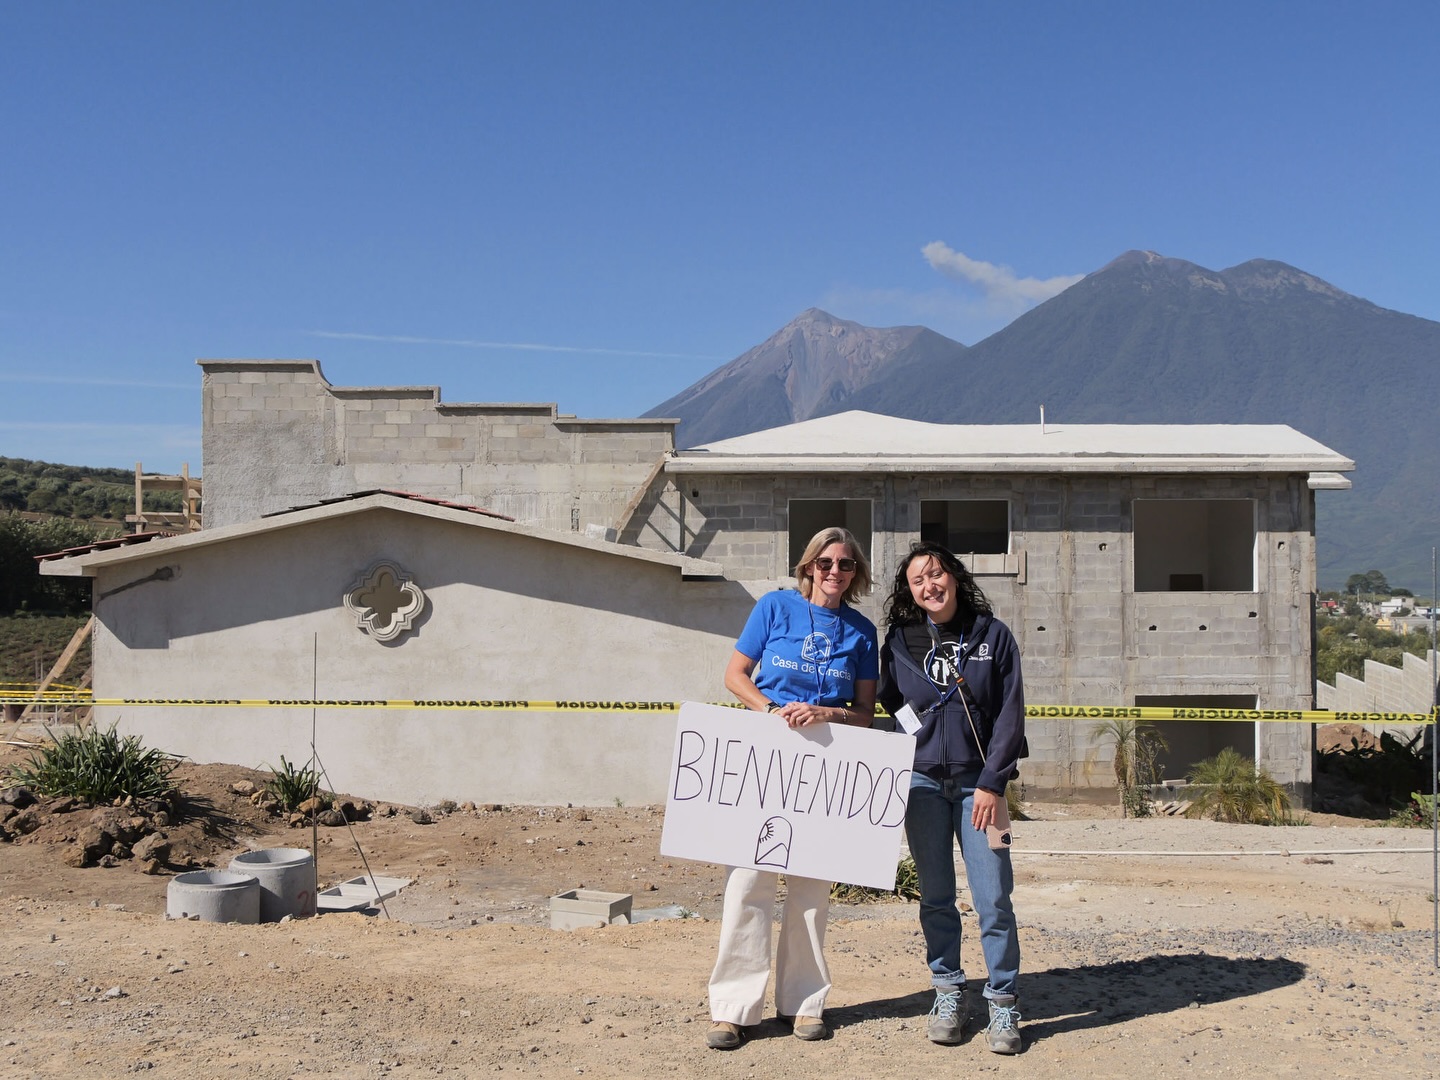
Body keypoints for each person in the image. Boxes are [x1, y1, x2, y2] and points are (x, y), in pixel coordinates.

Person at [705, 526, 879, 1050]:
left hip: (826, 765)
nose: (834, 571)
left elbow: (865, 713)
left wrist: (827, 712)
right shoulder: (774, 608)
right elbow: (736, 675)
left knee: (811, 889)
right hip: (767, 755)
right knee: (749, 882)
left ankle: (804, 1004)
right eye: (825, 562)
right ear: (808, 567)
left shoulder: (862, 632)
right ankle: (733, 1010)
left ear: (856, 572)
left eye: (845, 564)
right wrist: (772, 712)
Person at [877, 541, 1025, 1054]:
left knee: (994, 898)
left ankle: (1003, 1002)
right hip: (920, 784)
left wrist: (992, 782)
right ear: (910, 591)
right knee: (936, 897)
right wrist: (913, 730)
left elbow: (1010, 713)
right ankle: (948, 993)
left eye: (936, 574)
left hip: (980, 787)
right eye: (918, 580)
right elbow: (889, 698)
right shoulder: (901, 640)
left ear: (955, 578)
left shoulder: (992, 636)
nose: (929, 585)